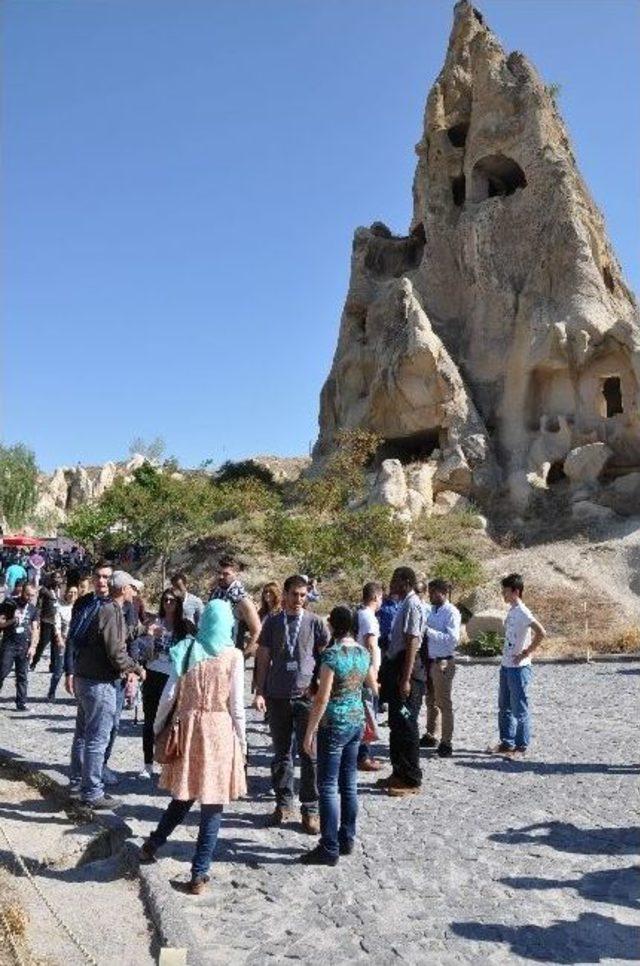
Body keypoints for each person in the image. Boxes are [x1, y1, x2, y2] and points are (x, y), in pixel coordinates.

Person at [140, 600, 246, 895]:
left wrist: (159, 726)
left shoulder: (187, 648)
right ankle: (199, 874)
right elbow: (237, 706)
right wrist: (243, 742)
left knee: (183, 795)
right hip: (220, 730)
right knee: (213, 806)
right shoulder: (234, 656)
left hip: (188, 730)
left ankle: (152, 844)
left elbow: (168, 695)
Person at [300, 605, 377, 866]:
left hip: (334, 722)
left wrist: (310, 731)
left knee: (328, 786)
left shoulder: (332, 655)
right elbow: (372, 685)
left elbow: (322, 697)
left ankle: (329, 845)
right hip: (356, 720)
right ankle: (347, 837)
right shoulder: (362, 653)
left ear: (332, 625)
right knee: (349, 783)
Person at [253, 574, 329, 833]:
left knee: (310, 753)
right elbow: (262, 658)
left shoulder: (315, 623)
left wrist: (320, 687)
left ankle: (311, 809)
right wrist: (259, 691)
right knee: (282, 753)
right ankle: (284, 803)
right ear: (284, 595)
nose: (298, 600)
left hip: (306, 697)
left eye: (303, 595)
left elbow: (324, 657)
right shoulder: (273, 622)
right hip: (277, 696)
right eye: (294, 594)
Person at [68, 571, 145, 808]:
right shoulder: (111, 611)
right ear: (124, 589)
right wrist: (136, 668)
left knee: (83, 734)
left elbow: (110, 640)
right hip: (99, 683)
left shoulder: (105, 608)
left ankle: (79, 783)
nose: (135, 592)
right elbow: (115, 653)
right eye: (133, 587)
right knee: (96, 739)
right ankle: (91, 792)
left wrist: (142, 631)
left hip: (86, 678)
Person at [378, 567, 425, 796]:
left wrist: (405, 679)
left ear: (405, 581)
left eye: (394, 580)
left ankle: (411, 778)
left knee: (407, 723)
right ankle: (399, 771)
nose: (391, 584)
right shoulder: (404, 604)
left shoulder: (413, 605)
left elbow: (412, 643)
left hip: (407, 675)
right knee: (397, 724)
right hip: (396, 672)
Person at [137, 589, 190, 779]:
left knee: (170, 720)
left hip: (172, 675)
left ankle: (167, 762)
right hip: (153, 672)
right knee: (150, 719)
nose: (168, 603)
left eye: (172, 601)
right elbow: (142, 652)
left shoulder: (183, 627)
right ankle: (148, 763)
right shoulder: (153, 623)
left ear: (178, 604)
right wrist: (151, 637)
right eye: (165, 600)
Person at [492, 573, 546, 757]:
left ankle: (521, 745)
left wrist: (527, 652)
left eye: (506, 591)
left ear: (516, 591)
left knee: (519, 708)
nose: (503, 594)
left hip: (518, 668)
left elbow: (541, 632)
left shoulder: (523, 611)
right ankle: (507, 742)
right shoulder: (512, 610)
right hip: (506, 666)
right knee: (504, 706)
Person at [420, 579, 461, 757]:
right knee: (430, 700)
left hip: (443, 661)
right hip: (430, 660)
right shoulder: (432, 609)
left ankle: (446, 742)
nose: (430, 595)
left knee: (444, 703)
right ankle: (431, 734)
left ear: (443, 592)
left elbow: (452, 639)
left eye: (434, 592)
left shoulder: (451, 612)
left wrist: (428, 631)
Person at [210, 555, 261, 656]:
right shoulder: (215, 595)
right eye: (219, 573)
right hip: (212, 654)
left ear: (236, 574)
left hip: (231, 655)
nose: (220, 577)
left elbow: (257, 632)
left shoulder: (242, 600)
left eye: (226, 574)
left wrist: (242, 657)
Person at [356, 581, 383, 772]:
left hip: (362, 671)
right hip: (367, 673)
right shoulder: (368, 617)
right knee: (367, 714)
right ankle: (363, 756)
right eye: (380, 597)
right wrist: (373, 673)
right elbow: (370, 645)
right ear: (375, 597)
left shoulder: (360, 614)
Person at [0, 581, 38, 711]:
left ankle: (21, 703)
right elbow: (1, 623)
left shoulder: (33, 609)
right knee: (2, 672)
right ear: (22, 591)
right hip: (9, 644)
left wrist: (33, 647)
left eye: (32, 595)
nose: (29, 598)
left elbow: (35, 629)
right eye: (27, 594)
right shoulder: (9, 603)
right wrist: (13, 620)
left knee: (22, 676)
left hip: (24, 646)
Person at [48, 586, 78, 701]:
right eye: (70, 592)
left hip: (76, 643)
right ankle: (51, 692)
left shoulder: (81, 608)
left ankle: (75, 694)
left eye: (75, 592)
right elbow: (57, 625)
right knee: (59, 670)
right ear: (66, 593)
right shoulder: (61, 608)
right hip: (63, 642)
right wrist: (59, 638)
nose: (72, 594)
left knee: (75, 669)